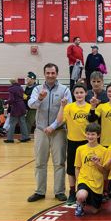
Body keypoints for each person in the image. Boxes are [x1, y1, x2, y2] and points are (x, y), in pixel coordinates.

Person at [27, 63, 72, 202]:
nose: (50, 75)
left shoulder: (65, 90)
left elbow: (67, 111)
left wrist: (53, 126)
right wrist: (40, 98)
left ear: (57, 74)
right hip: (41, 130)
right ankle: (40, 191)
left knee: (59, 162)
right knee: (40, 162)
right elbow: (31, 105)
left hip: (58, 131)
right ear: (44, 74)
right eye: (48, 73)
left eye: (53, 73)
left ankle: (59, 191)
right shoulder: (37, 89)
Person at [55, 83, 90, 205]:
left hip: (87, 143)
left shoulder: (90, 107)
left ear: (86, 93)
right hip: (72, 142)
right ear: (73, 94)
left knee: (86, 168)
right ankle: (71, 192)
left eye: (81, 92)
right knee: (71, 168)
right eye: (77, 93)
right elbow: (59, 121)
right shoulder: (69, 107)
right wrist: (62, 106)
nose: (79, 95)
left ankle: (85, 189)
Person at [74, 123, 108, 216]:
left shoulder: (104, 151)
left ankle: (89, 200)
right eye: (88, 134)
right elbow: (77, 167)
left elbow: (104, 171)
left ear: (98, 135)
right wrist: (78, 182)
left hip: (97, 183)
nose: (90, 136)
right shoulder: (80, 149)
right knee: (81, 195)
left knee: (94, 211)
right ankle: (79, 203)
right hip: (84, 179)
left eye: (93, 134)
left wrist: (97, 163)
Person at [4, 79, 30, 143]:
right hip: (22, 106)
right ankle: (25, 137)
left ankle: (10, 139)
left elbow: (12, 99)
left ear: (11, 83)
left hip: (16, 107)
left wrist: (5, 102)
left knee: (12, 123)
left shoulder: (11, 89)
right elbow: (23, 97)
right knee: (23, 123)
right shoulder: (21, 88)